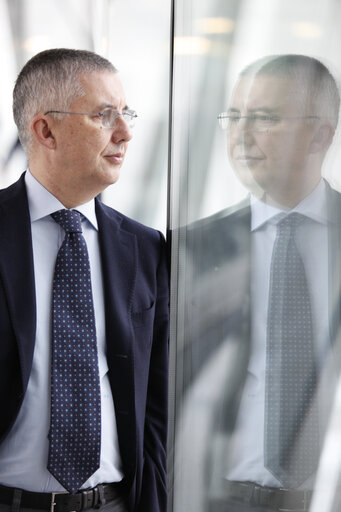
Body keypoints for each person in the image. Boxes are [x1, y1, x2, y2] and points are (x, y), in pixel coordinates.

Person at [0, 48, 169, 512]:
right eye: (104, 115)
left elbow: (156, 405)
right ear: (45, 130)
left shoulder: (146, 248)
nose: (126, 133)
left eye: (126, 113)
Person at [181, 54, 341, 512]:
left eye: (263, 118)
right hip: (222, 499)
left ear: (320, 135)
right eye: (233, 117)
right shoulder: (191, 249)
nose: (240, 136)